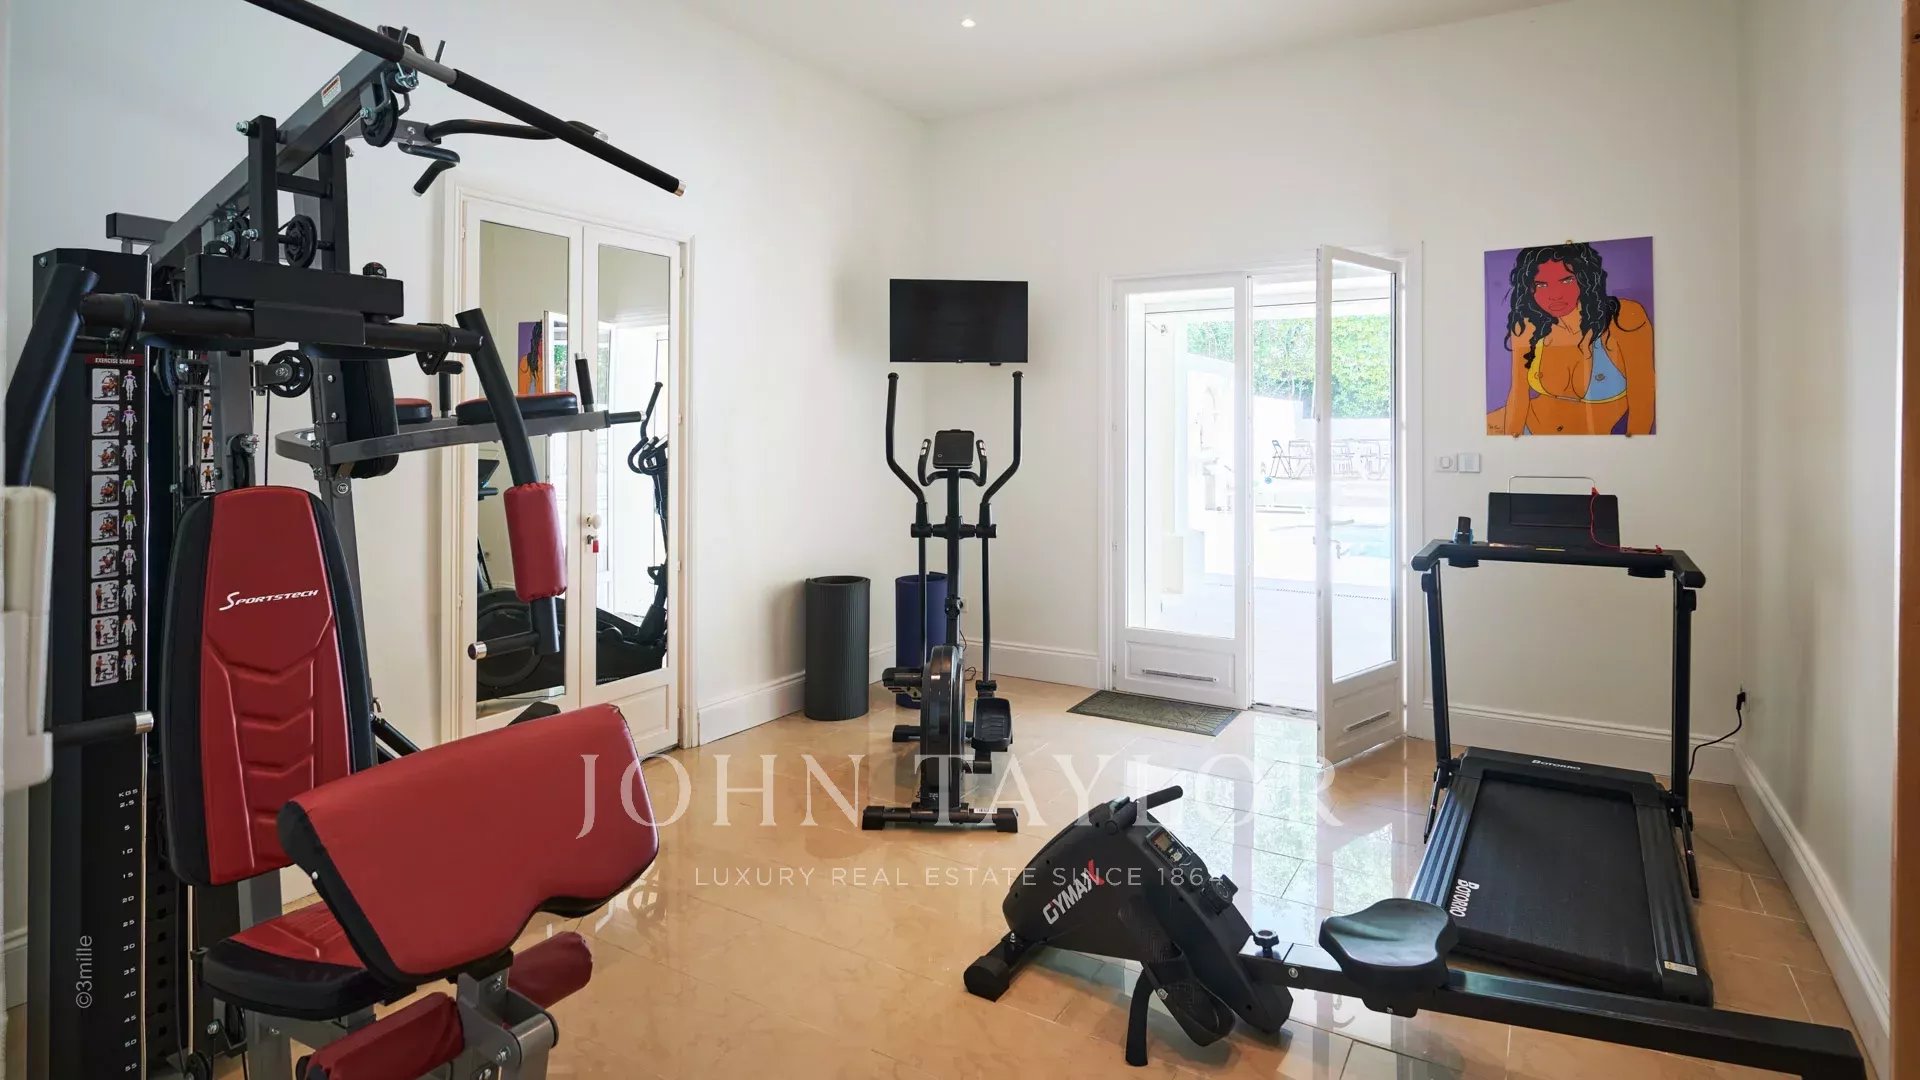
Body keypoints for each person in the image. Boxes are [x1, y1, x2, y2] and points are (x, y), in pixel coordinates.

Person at [1488, 243, 1654, 436]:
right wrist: (1511, 443)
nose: (1555, 295)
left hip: (1591, 446)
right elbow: (1518, 395)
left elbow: (1643, 394)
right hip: (1524, 432)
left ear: (1585, 279)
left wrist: (1637, 446)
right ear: (1529, 288)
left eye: (1566, 280)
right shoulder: (1527, 326)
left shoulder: (1623, 317)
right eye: (1541, 285)